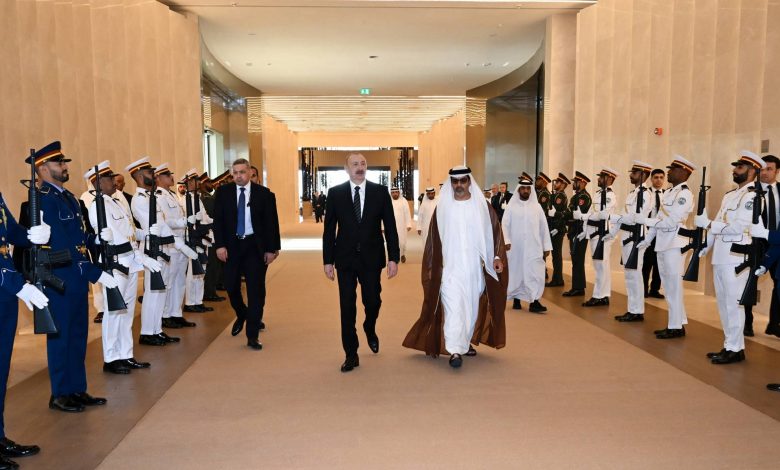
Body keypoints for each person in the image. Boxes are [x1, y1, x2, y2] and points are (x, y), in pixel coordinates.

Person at [32, 141, 118, 412]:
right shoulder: (43, 199)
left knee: (78, 335)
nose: (64, 166)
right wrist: (94, 272)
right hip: (60, 278)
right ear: (42, 168)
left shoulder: (68, 197)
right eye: (59, 163)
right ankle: (60, 393)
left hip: (77, 276)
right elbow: (61, 245)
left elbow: (79, 238)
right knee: (61, 338)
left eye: (64, 162)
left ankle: (77, 388)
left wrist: (96, 240)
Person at [403, 165, 507, 368]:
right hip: (449, 268)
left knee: (470, 308)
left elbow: (494, 232)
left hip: (473, 269)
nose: (459, 185)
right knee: (453, 307)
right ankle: (455, 350)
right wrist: (434, 266)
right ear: (451, 183)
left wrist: (496, 257)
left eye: (463, 181)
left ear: (469, 182)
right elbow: (433, 240)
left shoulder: (482, 206)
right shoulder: (443, 207)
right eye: (455, 181)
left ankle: (464, 341)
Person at [322, 153, 399, 372]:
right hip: (345, 258)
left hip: (372, 258)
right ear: (346, 169)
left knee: (373, 301)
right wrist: (328, 260)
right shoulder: (335, 193)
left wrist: (393, 258)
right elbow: (329, 229)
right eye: (355, 164)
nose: (360, 167)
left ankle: (369, 326)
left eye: (363, 163)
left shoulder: (380, 192)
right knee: (347, 306)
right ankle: (351, 353)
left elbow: (390, 227)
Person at [85, 162, 160, 374]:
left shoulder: (116, 202)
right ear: (99, 183)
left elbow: (129, 231)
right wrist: (140, 255)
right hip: (116, 263)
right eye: (109, 178)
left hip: (130, 263)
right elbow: (114, 237)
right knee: (113, 312)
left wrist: (145, 234)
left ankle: (126, 354)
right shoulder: (97, 206)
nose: (114, 181)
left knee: (126, 312)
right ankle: (111, 357)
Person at [694, 151, 764, 364]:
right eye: (735, 167)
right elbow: (719, 223)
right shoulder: (729, 195)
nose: (734, 170)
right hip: (721, 255)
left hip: (736, 257)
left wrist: (707, 223)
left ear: (752, 171)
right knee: (723, 304)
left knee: (734, 304)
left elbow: (737, 227)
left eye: (740, 167)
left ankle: (735, 348)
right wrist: (707, 245)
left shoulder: (753, 197)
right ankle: (730, 345)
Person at [0, 192, 49, 468]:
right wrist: (15, 283)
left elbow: (9, 231)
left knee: (1, 371)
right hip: (7, 284)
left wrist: (32, 234)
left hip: (5, 296)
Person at [213, 158, 281, 351]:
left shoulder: (264, 194)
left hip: (254, 247)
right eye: (235, 173)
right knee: (231, 286)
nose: (238, 176)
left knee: (255, 290)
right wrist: (220, 245)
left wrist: (272, 249)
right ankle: (242, 313)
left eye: (242, 172)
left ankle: (252, 335)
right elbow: (218, 221)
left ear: (250, 172)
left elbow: (272, 223)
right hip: (232, 247)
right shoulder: (223, 193)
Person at [637, 155, 696, 339]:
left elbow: (671, 222)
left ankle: (675, 326)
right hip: (663, 243)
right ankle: (678, 322)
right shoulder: (669, 192)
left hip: (675, 244)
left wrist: (644, 220)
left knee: (673, 286)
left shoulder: (685, 194)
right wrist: (648, 240)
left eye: (672, 169)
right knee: (669, 287)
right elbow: (659, 219)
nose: (668, 172)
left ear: (683, 172)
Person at [127, 157, 179, 347]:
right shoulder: (139, 200)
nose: (154, 176)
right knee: (152, 292)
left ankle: (157, 330)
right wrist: (178, 241)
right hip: (151, 248)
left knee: (160, 290)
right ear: (140, 176)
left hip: (162, 246)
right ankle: (147, 332)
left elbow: (162, 222)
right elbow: (156, 225)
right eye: (150, 173)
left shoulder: (151, 197)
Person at [155, 163, 199, 330]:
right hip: (171, 244)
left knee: (180, 280)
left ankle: (176, 313)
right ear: (158, 178)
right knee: (170, 281)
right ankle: (166, 315)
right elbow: (164, 221)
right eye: (167, 175)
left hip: (182, 242)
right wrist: (182, 222)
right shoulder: (159, 196)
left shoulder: (172, 195)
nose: (171, 177)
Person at [608, 161, 652, 322]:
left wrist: (614, 218)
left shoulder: (645, 194)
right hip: (627, 237)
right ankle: (632, 309)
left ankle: (637, 311)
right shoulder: (633, 193)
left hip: (636, 237)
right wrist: (612, 232)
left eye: (634, 173)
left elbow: (633, 217)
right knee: (629, 275)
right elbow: (624, 213)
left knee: (635, 275)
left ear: (643, 175)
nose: (631, 175)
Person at [502, 176, 551, 313]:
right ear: (518, 190)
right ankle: (516, 299)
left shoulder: (537, 207)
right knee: (516, 273)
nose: (525, 190)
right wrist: (506, 241)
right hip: (515, 247)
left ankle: (534, 301)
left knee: (535, 272)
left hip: (533, 247)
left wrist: (546, 246)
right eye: (523, 188)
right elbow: (504, 225)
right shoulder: (511, 207)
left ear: (531, 190)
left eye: (527, 188)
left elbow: (543, 227)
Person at [744, 155, 780, 337]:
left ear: (777, 171)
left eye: (769, 169)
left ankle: (774, 323)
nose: (765, 173)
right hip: (755, 244)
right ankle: (747, 323)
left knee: (778, 282)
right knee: (750, 283)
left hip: (777, 243)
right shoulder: (750, 190)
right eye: (762, 169)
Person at [580, 167, 618, 307]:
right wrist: (585, 229)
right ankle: (604, 295)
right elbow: (592, 211)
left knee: (601, 266)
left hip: (602, 234)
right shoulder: (598, 194)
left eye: (601, 177)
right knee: (601, 266)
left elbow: (601, 215)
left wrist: (583, 216)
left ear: (609, 179)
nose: (598, 179)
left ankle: (598, 296)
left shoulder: (610, 196)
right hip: (594, 233)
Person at [181, 169, 214, 314]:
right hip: (193, 239)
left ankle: (198, 301)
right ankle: (190, 302)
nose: (198, 182)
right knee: (193, 272)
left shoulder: (197, 198)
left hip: (203, 237)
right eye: (195, 180)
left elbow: (205, 217)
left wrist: (214, 222)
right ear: (188, 182)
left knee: (201, 272)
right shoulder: (184, 200)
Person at [562, 171, 592, 297]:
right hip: (573, 230)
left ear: (583, 183)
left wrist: (569, 215)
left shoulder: (584, 197)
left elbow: (576, 215)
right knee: (575, 260)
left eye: (576, 182)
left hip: (580, 232)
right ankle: (577, 286)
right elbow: (569, 212)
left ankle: (578, 288)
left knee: (578, 260)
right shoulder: (575, 197)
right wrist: (568, 216)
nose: (574, 184)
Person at [200, 173, 225, 303]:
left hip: (212, 234)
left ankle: (211, 290)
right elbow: (213, 214)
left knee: (215, 265)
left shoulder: (207, 197)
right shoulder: (205, 198)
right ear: (203, 184)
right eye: (209, 182)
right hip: (210, 235)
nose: (211, 184)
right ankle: (209, 292)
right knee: (212, 265)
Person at [642, 169, 666, 299]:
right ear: (651, 179)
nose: (659, 180)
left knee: (659, 263)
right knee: (646, 262)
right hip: (648, 232)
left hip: (661, 233)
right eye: (656, 177)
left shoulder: (667, 194)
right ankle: (643, 289)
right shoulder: (646, 193)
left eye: (661, 177)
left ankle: (655, 289)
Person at [546, 173, 570, 288]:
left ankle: (558, 279)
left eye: (558, 182)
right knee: (555, 255)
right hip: (554, 228)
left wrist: (556, 228)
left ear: (563, 184)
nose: (555, 184)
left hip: (558, 229)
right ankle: (557, 278)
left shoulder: (561, 196)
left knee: (557, 255)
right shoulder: (555, 195)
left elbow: (560, 214)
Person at [390, 187, 412, 263]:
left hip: (401, 225)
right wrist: (382, 226)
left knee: (402, 242)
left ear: (399, 193)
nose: (395, 194)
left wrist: (408, 224)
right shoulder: (388, 201)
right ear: (391, 193)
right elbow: (383, 214)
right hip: (391, 226)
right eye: (393, 193)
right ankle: (394, 257)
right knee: (392, 242)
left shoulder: (404, 201)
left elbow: (407, 213)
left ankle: (402, 254)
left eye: (396, 192)